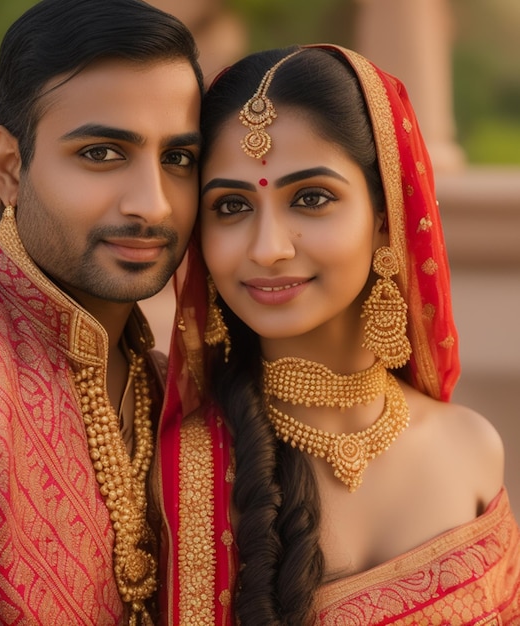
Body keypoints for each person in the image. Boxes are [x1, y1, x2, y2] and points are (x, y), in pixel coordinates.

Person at [158, 44, 520, 624]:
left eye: (311, 198)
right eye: (230, 206)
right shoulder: (167, 463)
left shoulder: (472, 449)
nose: (268, 248)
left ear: (384, 219)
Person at [0, 0, 202, 623]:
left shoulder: (164, 378)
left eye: (179, 159)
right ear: (10, 167)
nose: (153, 204)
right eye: (101, 154)